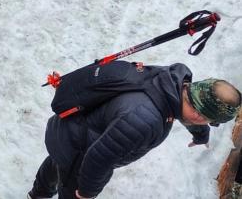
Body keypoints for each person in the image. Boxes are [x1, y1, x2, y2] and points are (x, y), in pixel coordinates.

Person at [27, 63, 242, 199]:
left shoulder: (170, 81)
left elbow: (185, 110)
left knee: (55, 162)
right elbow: (98, 159)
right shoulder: (144, 121)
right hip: (79, 150)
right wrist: (85, 193)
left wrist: (199, 133)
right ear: (199, 114)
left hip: (69, 127)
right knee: (65, 174)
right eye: (209, 121)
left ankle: (37, 195)